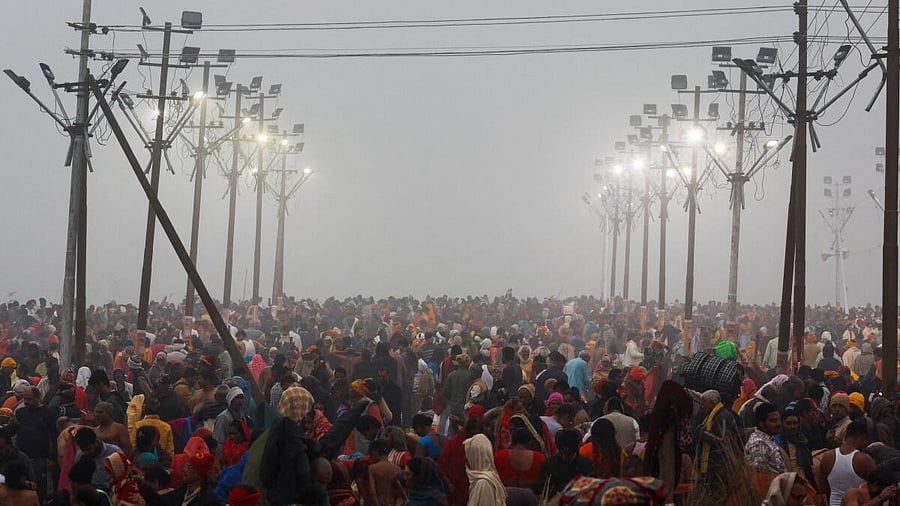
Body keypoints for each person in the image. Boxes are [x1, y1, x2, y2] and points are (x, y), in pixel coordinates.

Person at [817, 419, 876, 506]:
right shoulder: (865, 460)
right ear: (863, 437)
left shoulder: (827, 457)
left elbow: (823, 489)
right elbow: (875, 488)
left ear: (845, 435)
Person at [15, 386, 57, 500]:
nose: (26, 402)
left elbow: (53, 436)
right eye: (25, 399)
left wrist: (53, 458)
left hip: (40, 458)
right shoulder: (20, 412)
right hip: (22, 458)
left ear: (38, 397)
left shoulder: (49, 413)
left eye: (29, 399)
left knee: (40, 489)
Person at [534, 429, 596, 496]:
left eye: (569, 455)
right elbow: (542, 488)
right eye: (562, 453)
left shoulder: (586, 465)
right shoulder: (548, 464)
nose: (564, 458)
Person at [745, 402, 788, 496]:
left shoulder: (768, 439)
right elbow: (760, 479)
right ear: (762, 423)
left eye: (779, 420)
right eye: (773, 421)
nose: (779, 424)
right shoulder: (758, 444)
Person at [464, 433, 507, 506]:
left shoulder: (483, 484)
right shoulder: (488, 478)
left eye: (468, 454)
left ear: (475, 456)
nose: (465, 459)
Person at [367, 440, 403, 506]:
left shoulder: (372, 468)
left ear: (374, 453)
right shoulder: (397, 468)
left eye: (371, 456)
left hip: (380, 503)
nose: (370, 458)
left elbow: (373, 492)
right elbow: (400, 491)